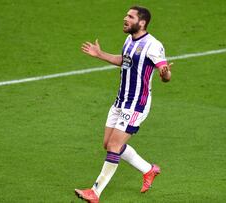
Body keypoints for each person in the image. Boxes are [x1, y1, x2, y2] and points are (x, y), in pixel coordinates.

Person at [75, 5, 172, 203]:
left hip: (136, 104)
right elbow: (125, 60)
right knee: (109, 144)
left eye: (130, 16)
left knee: (114, 145)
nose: (125, 19)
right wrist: (100, 54)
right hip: (121, 100)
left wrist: (165, 74)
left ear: (142, 22)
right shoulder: (129, 39)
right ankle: (149, 170)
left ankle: (95, 192)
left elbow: (165, 72)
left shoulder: (153, 45)